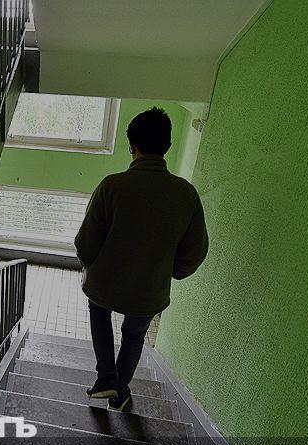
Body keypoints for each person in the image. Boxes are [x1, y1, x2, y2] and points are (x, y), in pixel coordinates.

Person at [74, 107, 208, 412]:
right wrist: (170, 271)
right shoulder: (186, 195)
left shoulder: (111, 186)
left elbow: (86, 242)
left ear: (132, 147)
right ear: (167, 147)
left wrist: (89, 263)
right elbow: (194, 252)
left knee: (99, 314)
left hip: (105, 284)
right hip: (149, 291)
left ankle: (105, 379)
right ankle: (120, 392)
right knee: (134, 336)